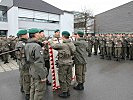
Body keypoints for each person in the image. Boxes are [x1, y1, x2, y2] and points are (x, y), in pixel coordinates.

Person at [49, 31, 76, 98]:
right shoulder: (71, 44)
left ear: (63, 36)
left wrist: (51, 40)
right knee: (68, 77)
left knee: (62, 78)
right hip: (70, 62)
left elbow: (53, 46)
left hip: (63, 64)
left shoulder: (62, 45)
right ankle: (67, 89)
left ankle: (65, 92)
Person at [25, 28, 47, 100]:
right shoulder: (37, 46)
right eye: (38, 33)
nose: (39, 34)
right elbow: (39, 62)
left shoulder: (27, 44)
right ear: (35, 34)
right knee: (39, 90)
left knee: (33, 88)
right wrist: (43, 76)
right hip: (38, 70)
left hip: (31, 69)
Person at [15, 29, 30, 100]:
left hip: (22, 62)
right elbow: (22, 55)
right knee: (26, 77)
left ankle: (22, 87)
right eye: (26, 34)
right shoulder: (22, 43)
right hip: (24, 63)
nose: (27, 35)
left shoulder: (21, 42)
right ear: (23, 35)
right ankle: (27, 93)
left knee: (22, 75)